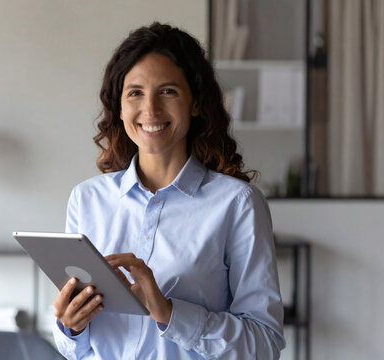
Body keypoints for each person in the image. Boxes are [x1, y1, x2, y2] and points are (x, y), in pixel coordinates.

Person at [52, 22, 285, 359]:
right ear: (119, 107)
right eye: (135, 93)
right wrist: (69, 327)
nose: (151, 109)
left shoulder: (238, 205)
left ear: (195, 103)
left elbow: (263, 346)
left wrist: (170, 313)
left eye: (168, 91)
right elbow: (75, 350)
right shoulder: (87, 199)